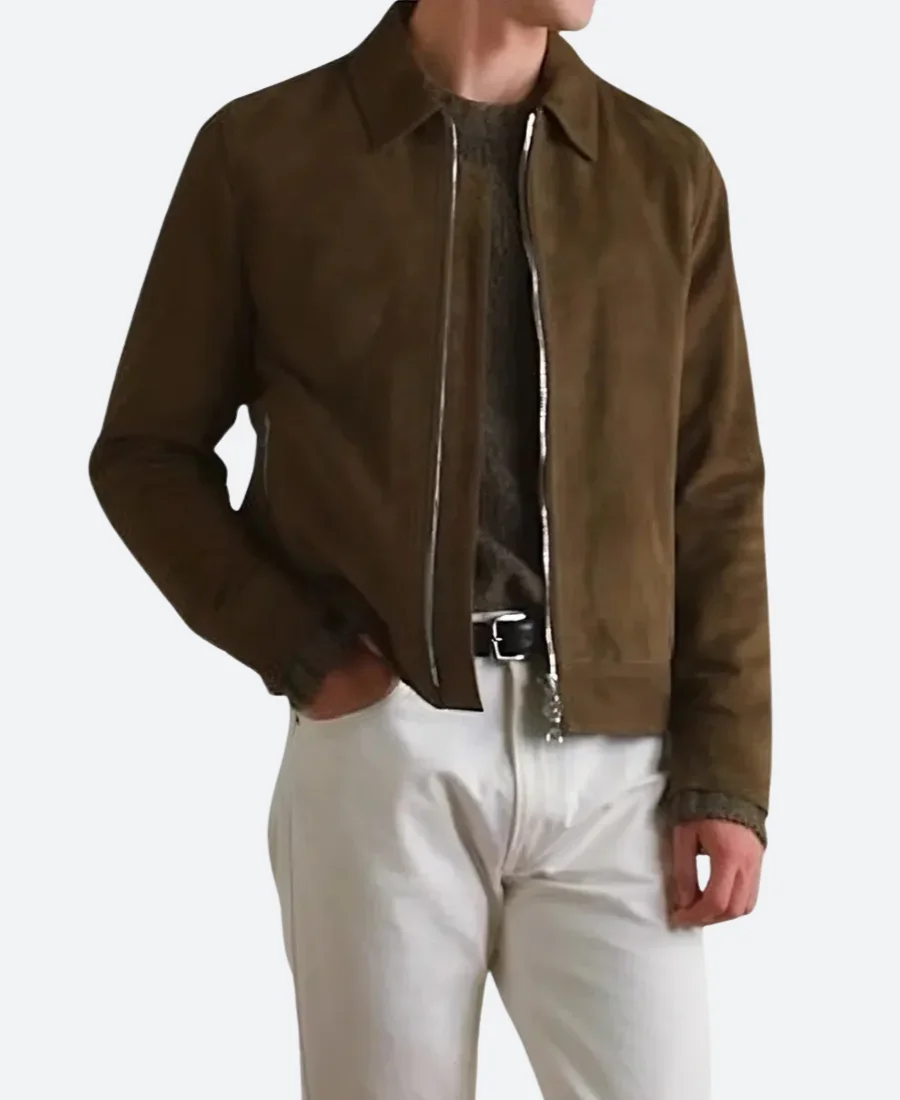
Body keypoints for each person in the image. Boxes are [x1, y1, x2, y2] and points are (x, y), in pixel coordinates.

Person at [88, 1, 771, 1096]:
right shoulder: (266, 153)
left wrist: (726, 773)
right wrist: (305, 652)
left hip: (616, 764)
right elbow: (145, 454)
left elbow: (717, 488)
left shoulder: (662, 170)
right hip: (386, 745)